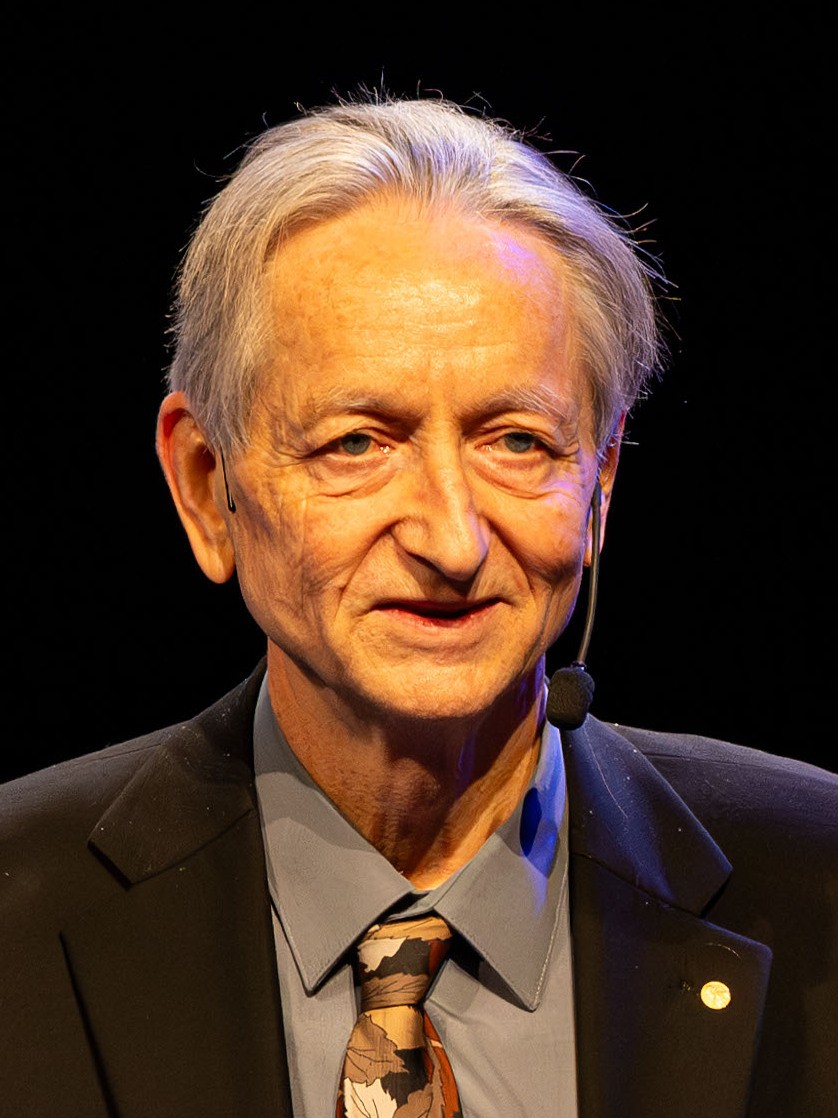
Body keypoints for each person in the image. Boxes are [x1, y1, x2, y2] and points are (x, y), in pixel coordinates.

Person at [2, 95, 836, 1118]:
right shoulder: (16, 914)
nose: (452, 538)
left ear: (601, 481)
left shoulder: (820, 884)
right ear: (207, 485)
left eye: (517, 441)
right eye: (357, 442)